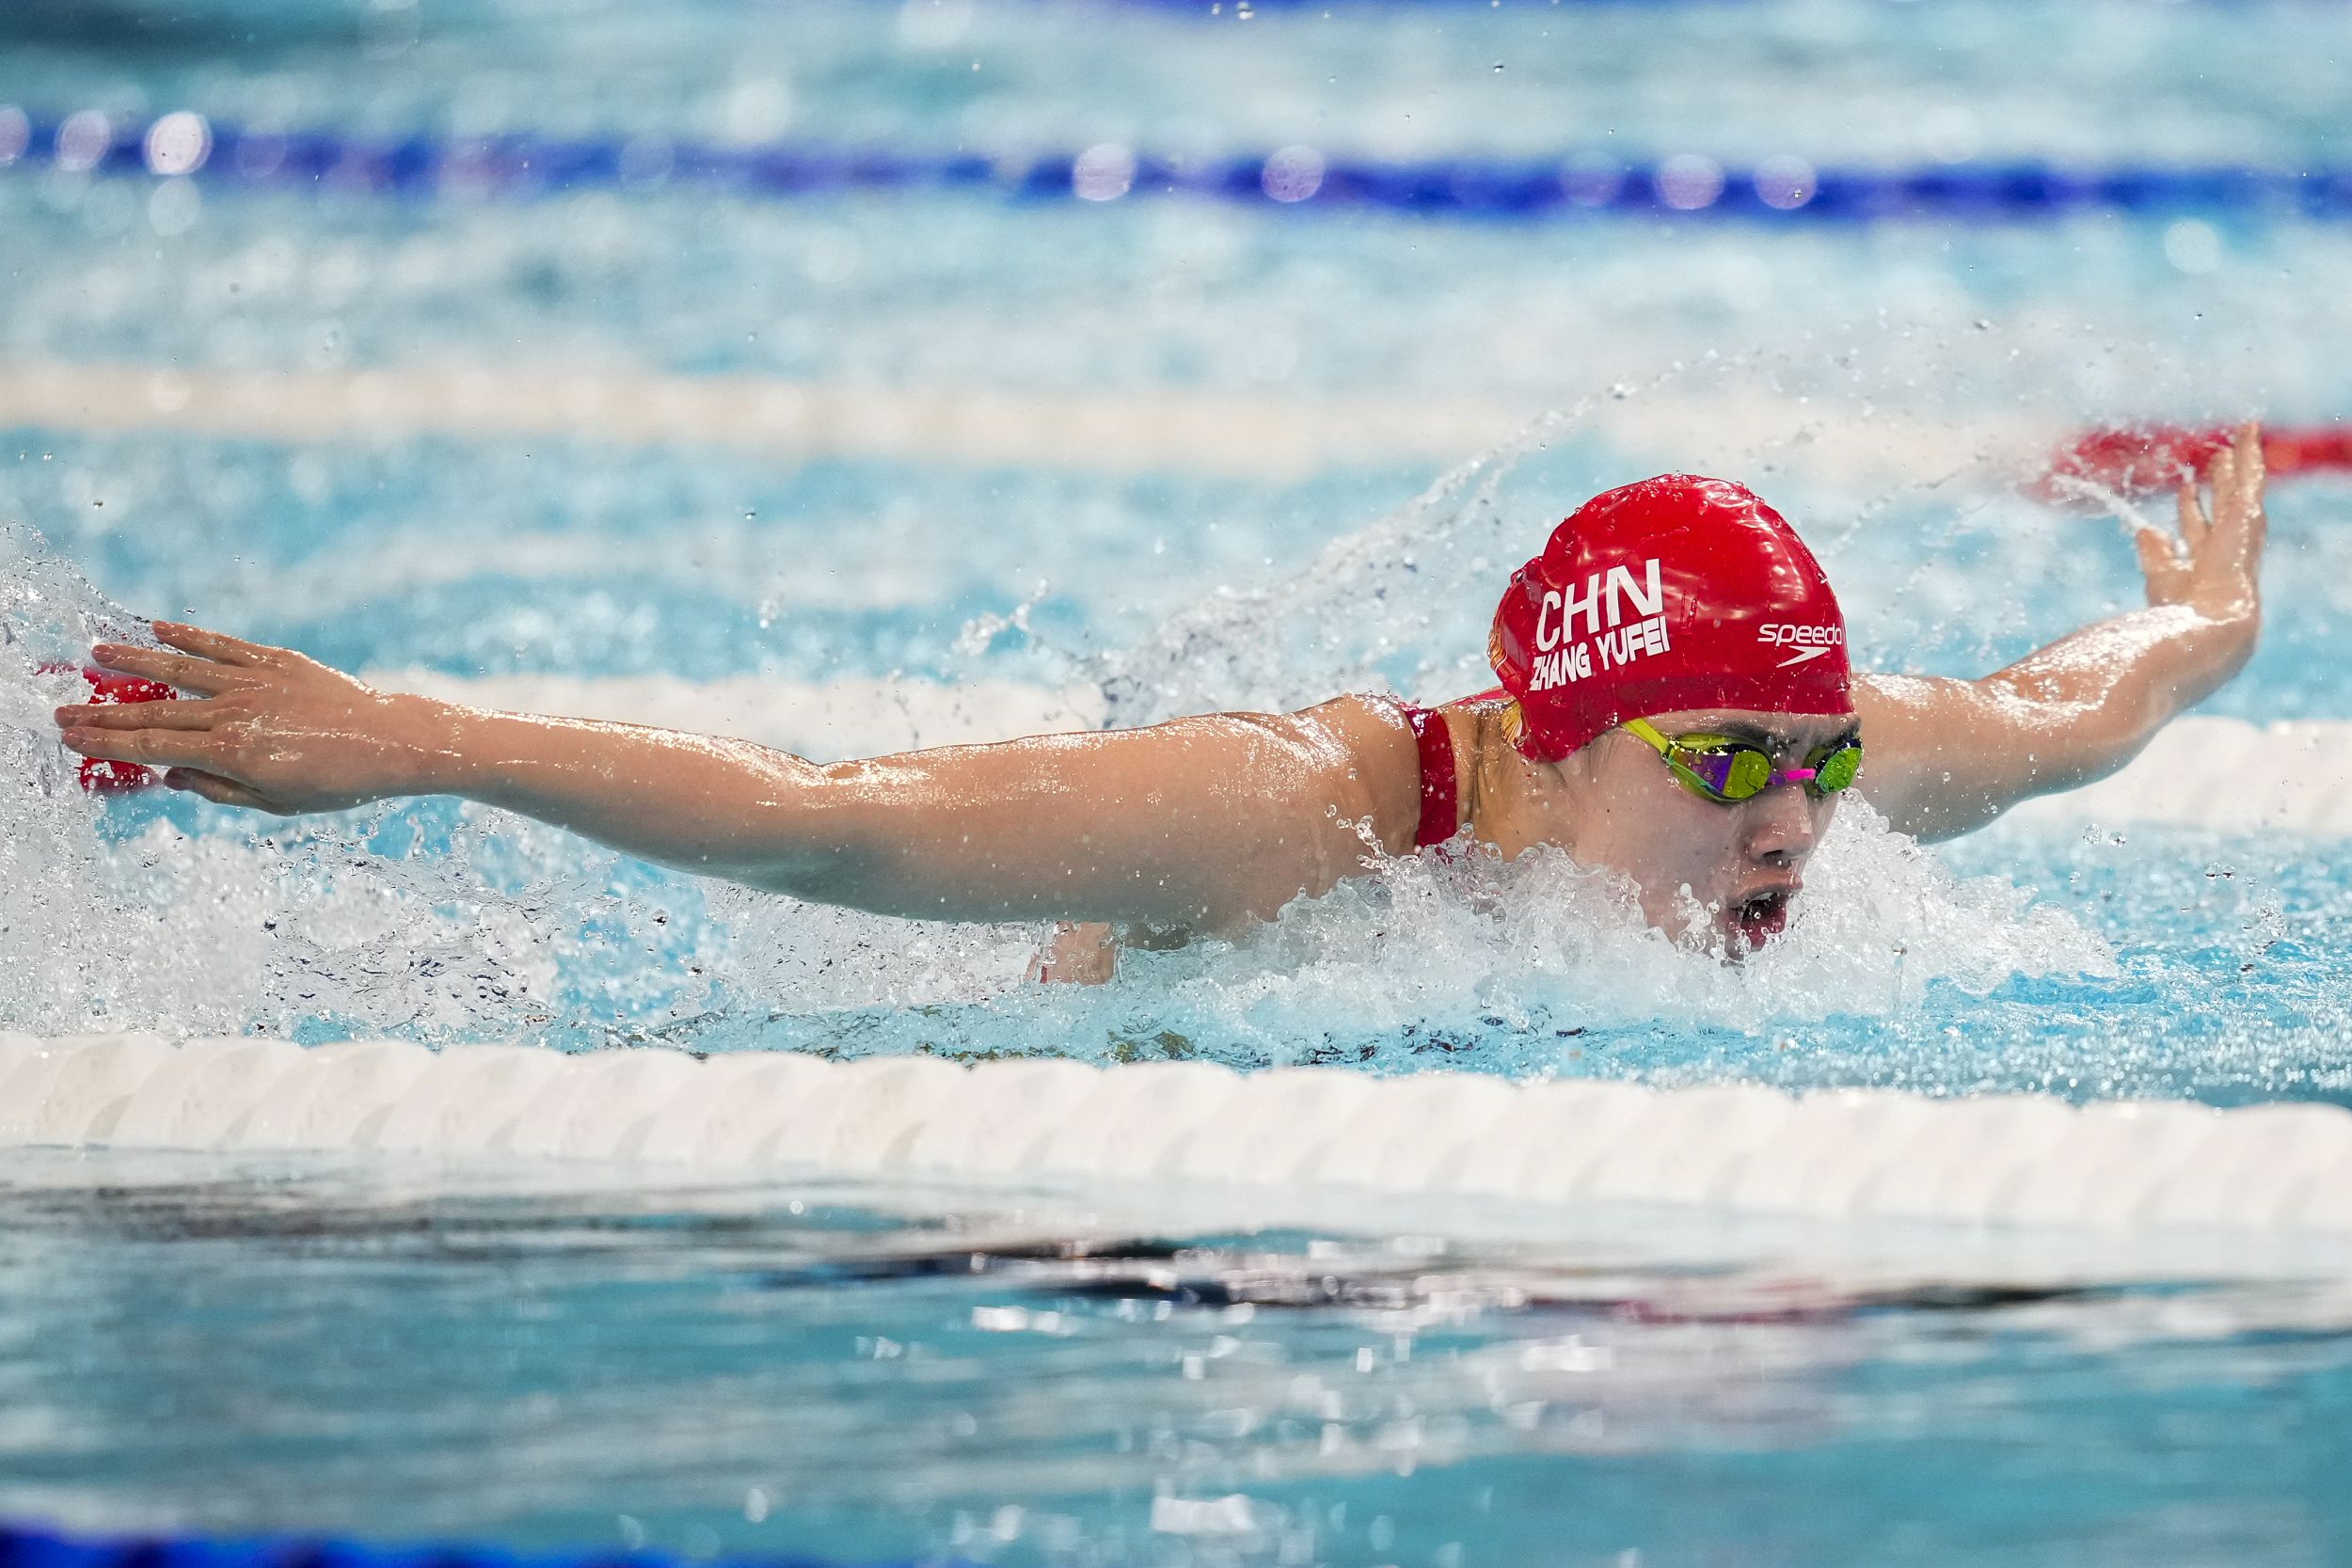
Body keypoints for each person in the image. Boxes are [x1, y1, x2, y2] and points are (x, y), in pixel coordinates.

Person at [51, 424, 2268, 981]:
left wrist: (2208, 619)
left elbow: (2069, 707)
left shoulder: (1797, 762)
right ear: (1558, 738)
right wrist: (415, 741)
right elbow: (836, 819)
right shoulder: (1290, 813)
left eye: (1818, 765)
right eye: (1728, 769)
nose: (1794, 826)